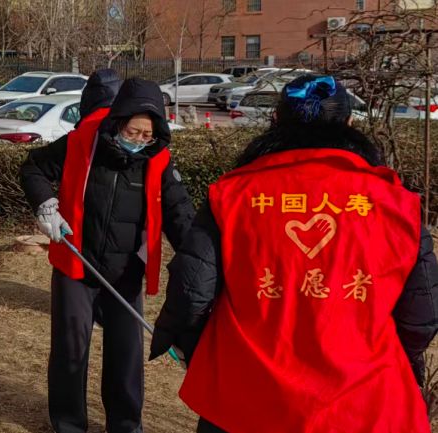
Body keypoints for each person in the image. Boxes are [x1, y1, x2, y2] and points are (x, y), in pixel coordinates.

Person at [150, 74, 438, 433]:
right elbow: (422, 311)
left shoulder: (234, 195)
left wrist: (199, 350)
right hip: (364, 405)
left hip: (247, 398)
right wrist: (401, 362)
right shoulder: (394, 204)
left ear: (276, 122)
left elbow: (191, 293)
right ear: (349, 123)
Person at [20, 75, 195, 433]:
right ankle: (69, 423)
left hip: (126, 271)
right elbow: (33, 167)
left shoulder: (158, 160)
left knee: (126, 353)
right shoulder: (82, 142)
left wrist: (197, 258)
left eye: (147, 135)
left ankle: (125, 424)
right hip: (76, 264)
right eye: (133, 132)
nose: (139, 141)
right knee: (71, 348)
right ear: (119, 121)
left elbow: (179, 214)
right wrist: (46, 204)